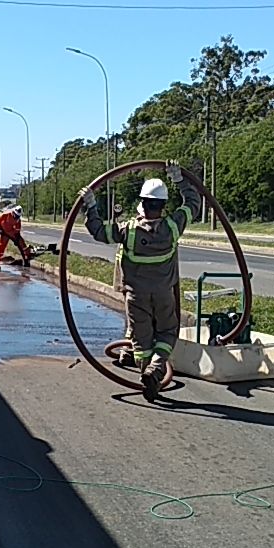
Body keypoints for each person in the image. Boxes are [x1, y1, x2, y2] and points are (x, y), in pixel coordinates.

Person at [79, 161, 201, 400]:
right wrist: (179, 180)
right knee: (168, 332)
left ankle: (148, 373)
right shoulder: (173, 226)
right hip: (165, 294)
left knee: (141, 340)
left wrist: (91, 205)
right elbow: (193, 204)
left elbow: (99, 231)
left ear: (142, 203)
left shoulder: (128, 230)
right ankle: (156, 370)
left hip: (136, 297)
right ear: (163, 205)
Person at [0, 205, 32, 269]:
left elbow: (17, 230)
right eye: (16, 216)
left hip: (11, 232)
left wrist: (16, 239)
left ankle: (27, 258)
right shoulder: (5, 215)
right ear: (13, 212)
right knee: (1, 246)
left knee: (22, 243)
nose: (17, 218)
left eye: (18, 216)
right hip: (3, 232)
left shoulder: (18, 220)